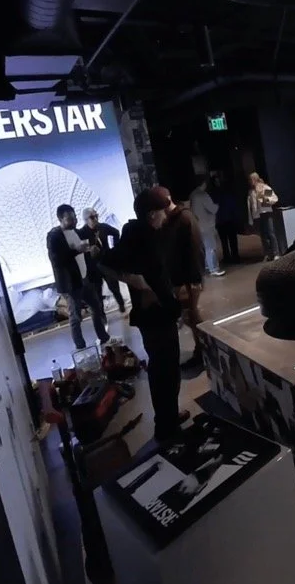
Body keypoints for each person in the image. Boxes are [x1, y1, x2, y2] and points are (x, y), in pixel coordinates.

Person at [100, 187, 189, 441]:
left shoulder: (146, 234)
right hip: (154, 317)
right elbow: (104, 262)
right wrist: (139, 283)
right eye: (162, 210)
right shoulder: (138, 236)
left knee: (168, 370)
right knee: (164, 372)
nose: (165, 215)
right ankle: (166, 428)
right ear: (152, 214)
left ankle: (169, 418)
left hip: (160, 314)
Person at [47, 204, 111, 350]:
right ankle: (81, 347)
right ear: (60, 219)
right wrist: (77, 251)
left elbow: (79, 247)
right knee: (75, 317)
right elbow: (57, 259)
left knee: (96, 306)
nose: (74, 221)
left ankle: (103, 337)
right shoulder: (54, 237)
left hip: (83, 278)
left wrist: (89, 249)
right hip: (70, 284)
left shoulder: (74, 231)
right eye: (70, 219)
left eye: (75, 217)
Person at [158, 187, 207, 366]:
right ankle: (203, 351)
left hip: (187, 280)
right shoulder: (170, 221)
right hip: (179, 279)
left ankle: (204, 352)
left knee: (192, 316)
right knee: (190, 316)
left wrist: (195, 279)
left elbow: (196, 249)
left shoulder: (185, 218)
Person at [77, 208, 126, 315]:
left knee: (114, 287)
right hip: (93, 267)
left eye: (96, 215)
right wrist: (89, 250)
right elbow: (80, 249)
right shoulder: (82, 233)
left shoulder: (102, 227)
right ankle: (102, 315)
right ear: (86, 220)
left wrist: (114, 249)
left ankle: (121, 304)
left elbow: (116, 232)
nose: (95, 219)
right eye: (92, 217)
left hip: (106, 262)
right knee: (97, 292)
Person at [189, 177, 225, 277]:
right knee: (211, 247)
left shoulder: (192, 194)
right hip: (207, 225)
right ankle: (214, 268)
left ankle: (207, 267)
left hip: (198, 225)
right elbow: (212, 209)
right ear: (204, 184)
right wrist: (217, 205)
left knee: (205, 247)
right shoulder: (203, 195)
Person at [247, 172, 279, 261]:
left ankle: (276, 253)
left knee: (271, 233)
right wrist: (251, 219)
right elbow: (250, 207)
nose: (250, 182)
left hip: (266, 212)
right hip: (257, 215)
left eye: (251, 179)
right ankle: (268, 254)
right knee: (263, 235)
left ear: (255, 179)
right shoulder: (251, 192)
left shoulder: (264, 188)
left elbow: (274, 199)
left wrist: (265, 200)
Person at [214, 174, 241, 265]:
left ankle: (227, 257)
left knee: (224, 241)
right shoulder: (229, 194)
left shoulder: (215, 195)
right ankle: (235, 257)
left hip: (221, 220)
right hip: (229, 219)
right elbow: (234, 206)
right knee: (232, 240)